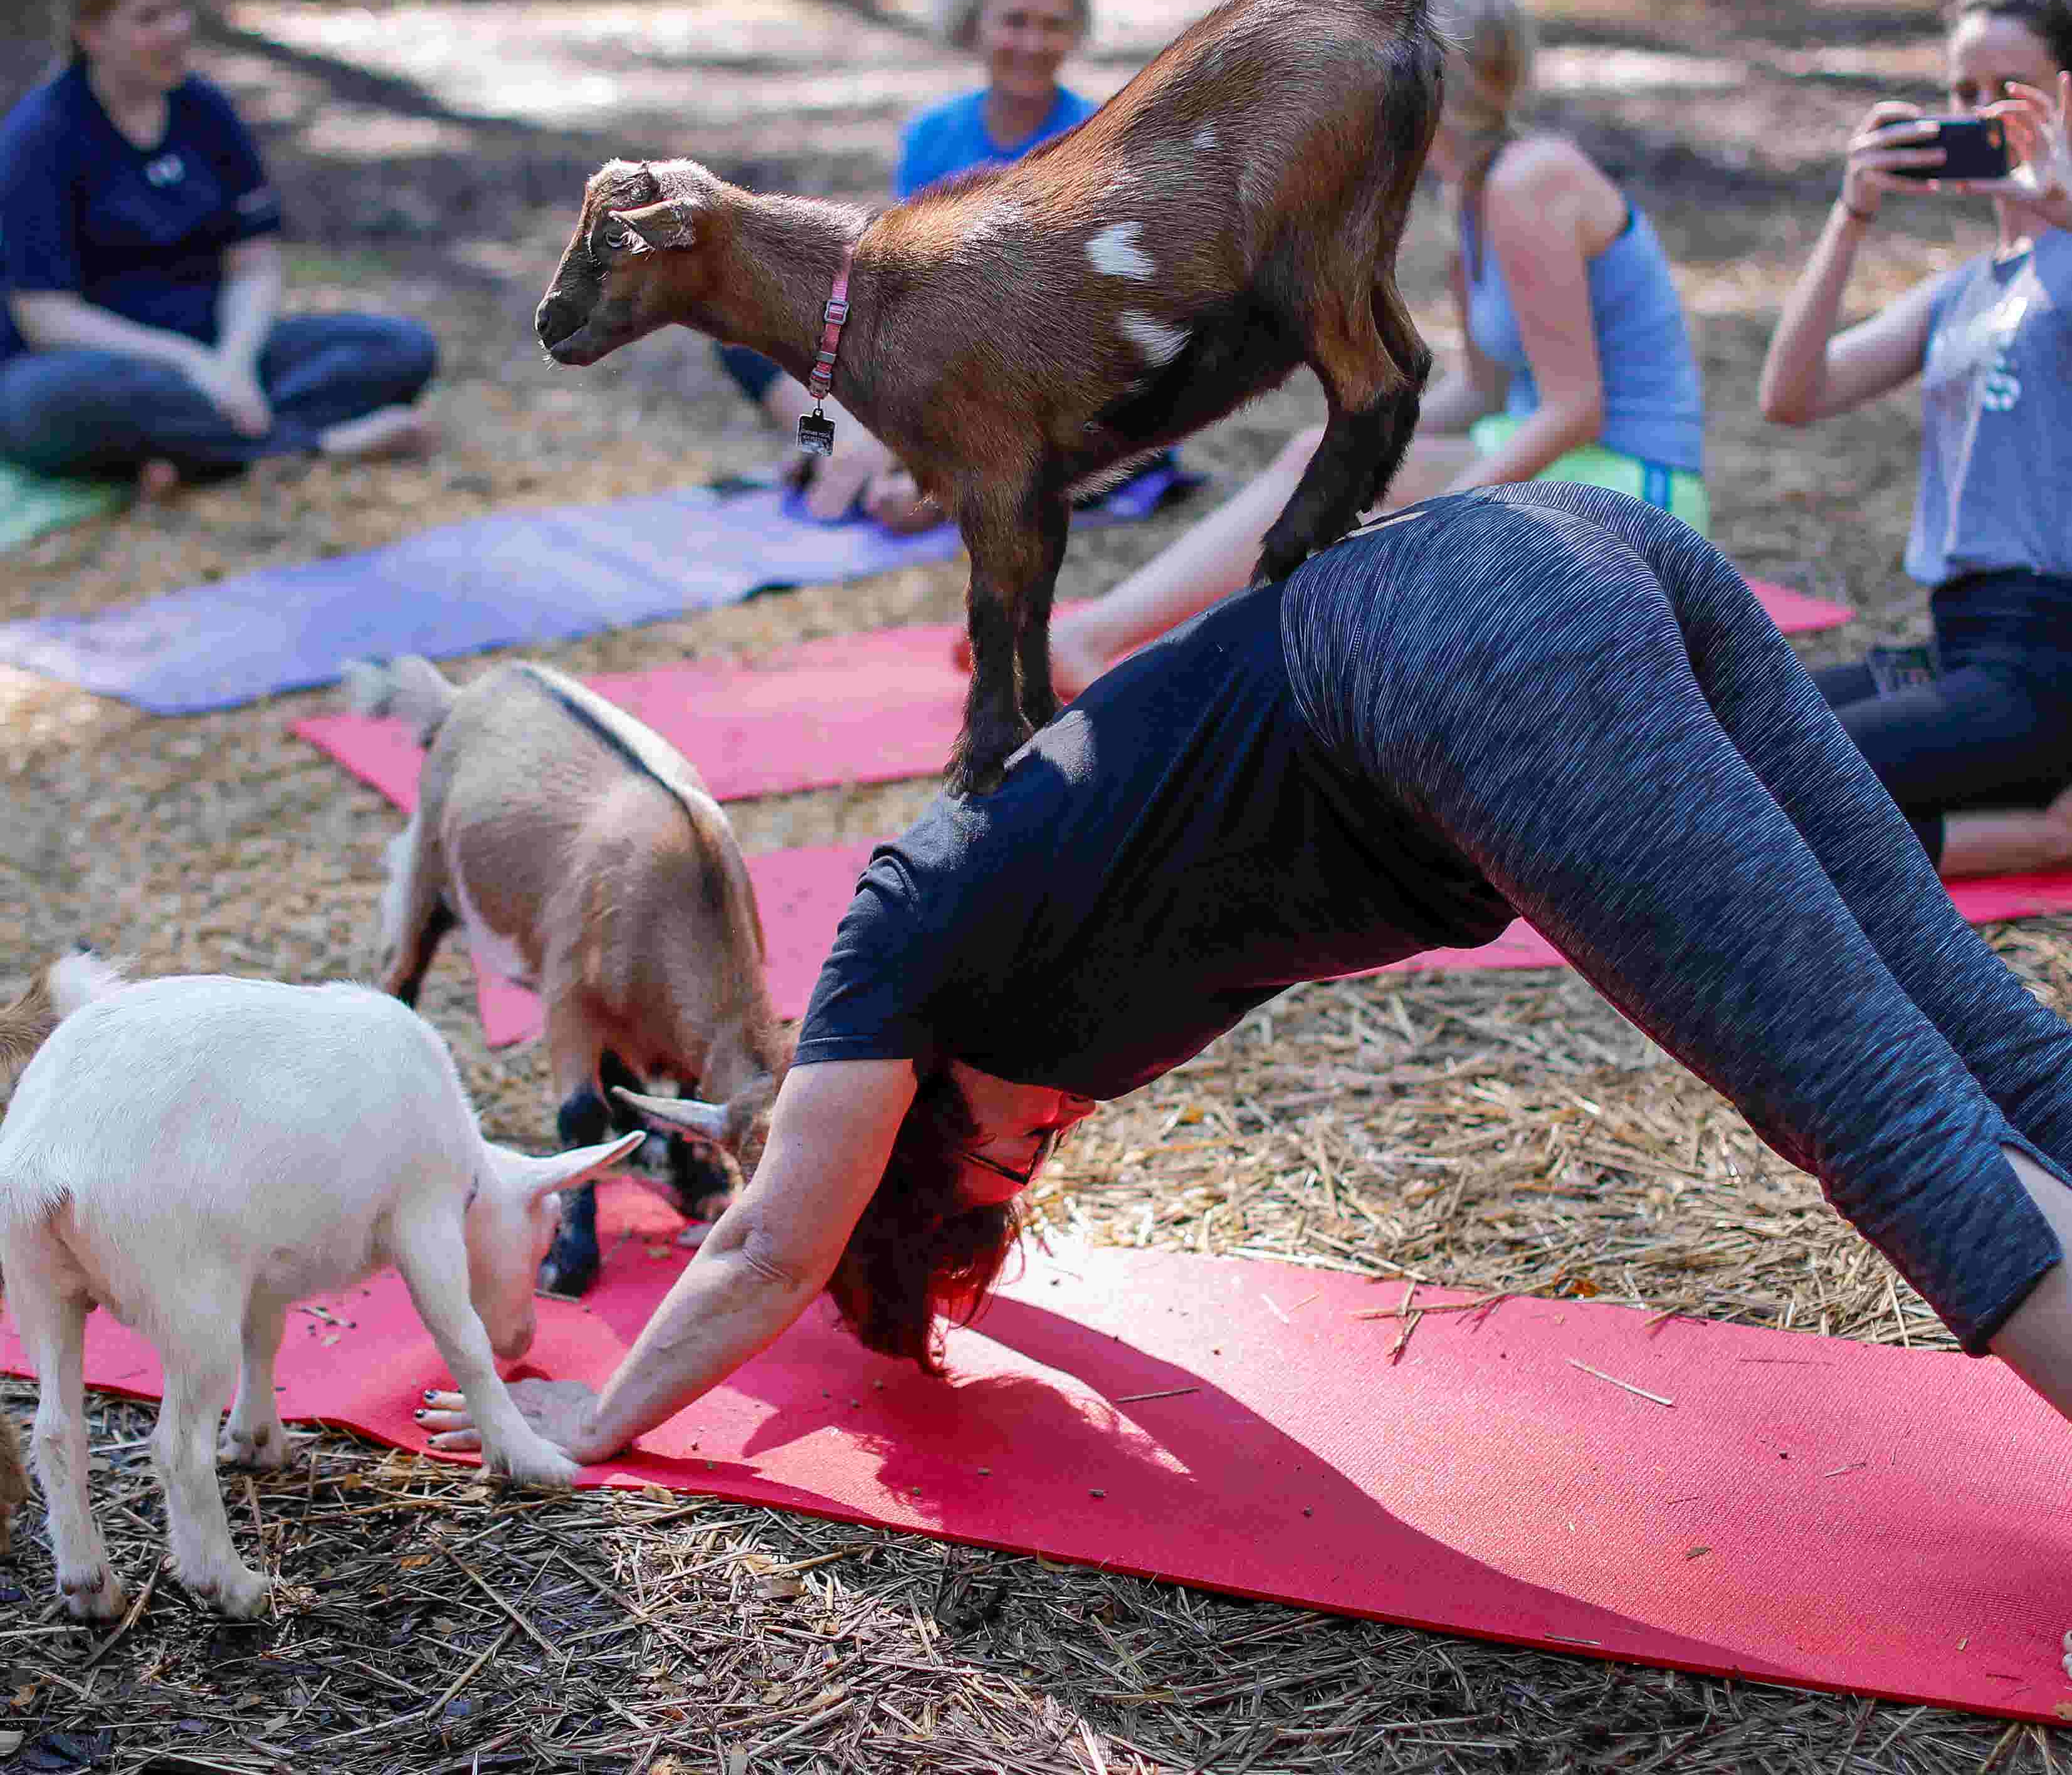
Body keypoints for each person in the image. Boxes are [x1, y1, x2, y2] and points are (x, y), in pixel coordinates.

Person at [418, 483, 2072, 1467]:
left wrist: (586, 1422)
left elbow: (775, 1245)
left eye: (1001, 1174)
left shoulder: (898, 942)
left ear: (918, 1155)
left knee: (1881, 1115)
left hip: (1470, 650)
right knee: (1975, 1035)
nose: (1044, 1149)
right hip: (1561, 560)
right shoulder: (1009, 981)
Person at [1033, 0, 1707, 700]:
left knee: (1345, 493)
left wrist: (1442, 506)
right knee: (1321, 461)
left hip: (1642, 491)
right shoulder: (1472, 196)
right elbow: (1485, 390)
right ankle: (1115, 644)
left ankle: (1109, 644)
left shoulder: (1529, 183)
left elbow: (1576, 407)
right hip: (1575, 466)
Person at [1757, 0, 2072, 879]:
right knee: (1726, 740)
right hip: (1960, 646)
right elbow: (1791, 394)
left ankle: (2037, 838)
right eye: (1958, 93)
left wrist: (2057, 199)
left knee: (1780, 784)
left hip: (2048, 656)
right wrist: (1851, 213)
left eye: (2001, 93)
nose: (1973, 114)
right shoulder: (1959, 294)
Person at [0, 0, 439, 498]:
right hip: (102, 362)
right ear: (90, 32)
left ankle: (182, 455)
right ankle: (317, 442)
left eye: (180, 7)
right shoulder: (40, 135)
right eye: (149, 17)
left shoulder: (205, 110)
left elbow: (253, 264)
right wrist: (190, 364)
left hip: (219, 343)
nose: (178, 29)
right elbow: (46, 317)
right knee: (39, 408)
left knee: (402, 349)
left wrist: (233, 359)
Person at [717, 0, 1105, 532]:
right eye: (1013, 21)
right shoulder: (933, 133)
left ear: (1074, 31)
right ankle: (855, 448)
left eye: (1051, 24)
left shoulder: (1095, 139)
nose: (1031, 43)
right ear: (974, 24)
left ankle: (892, 467)